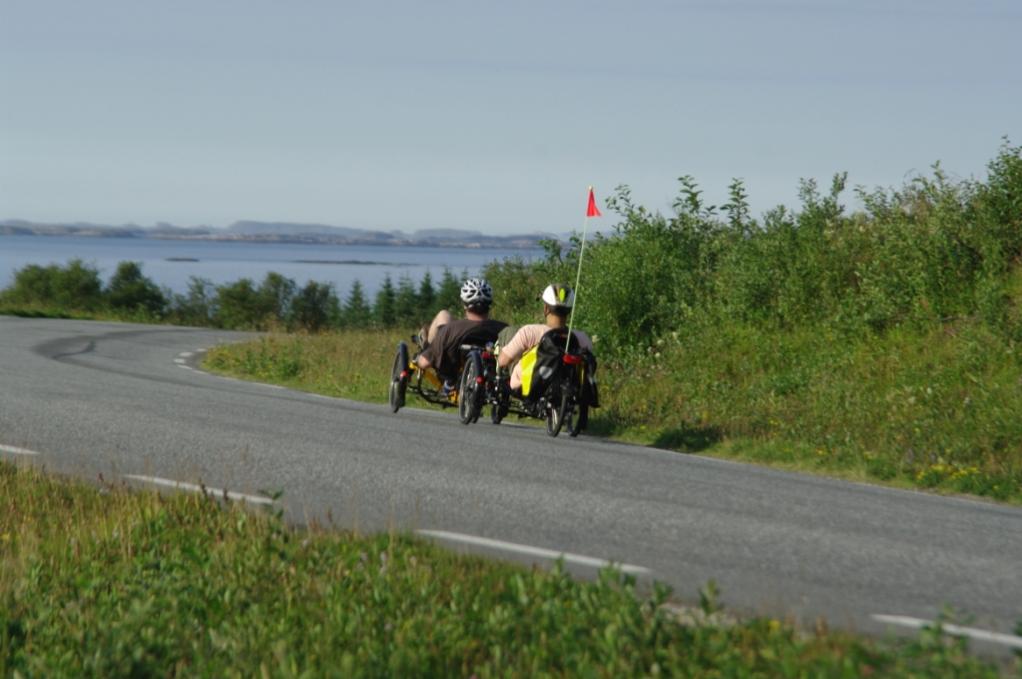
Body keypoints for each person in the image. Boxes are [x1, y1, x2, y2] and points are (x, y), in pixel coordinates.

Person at [497, 283, 593, 394]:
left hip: (528, 388)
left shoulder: (530, 332)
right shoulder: (582, 338)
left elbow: (503, 361)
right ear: (569, 311)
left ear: (546, 309)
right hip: (568, 387)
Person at [415, 277, 507, 386]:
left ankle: (426, 347)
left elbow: (425, 363)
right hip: (491, 379)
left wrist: (418, 359)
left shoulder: (450, 329)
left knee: (443, 315)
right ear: (489, 304)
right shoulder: (503, 329)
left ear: (464, 304)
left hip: (452, 377)